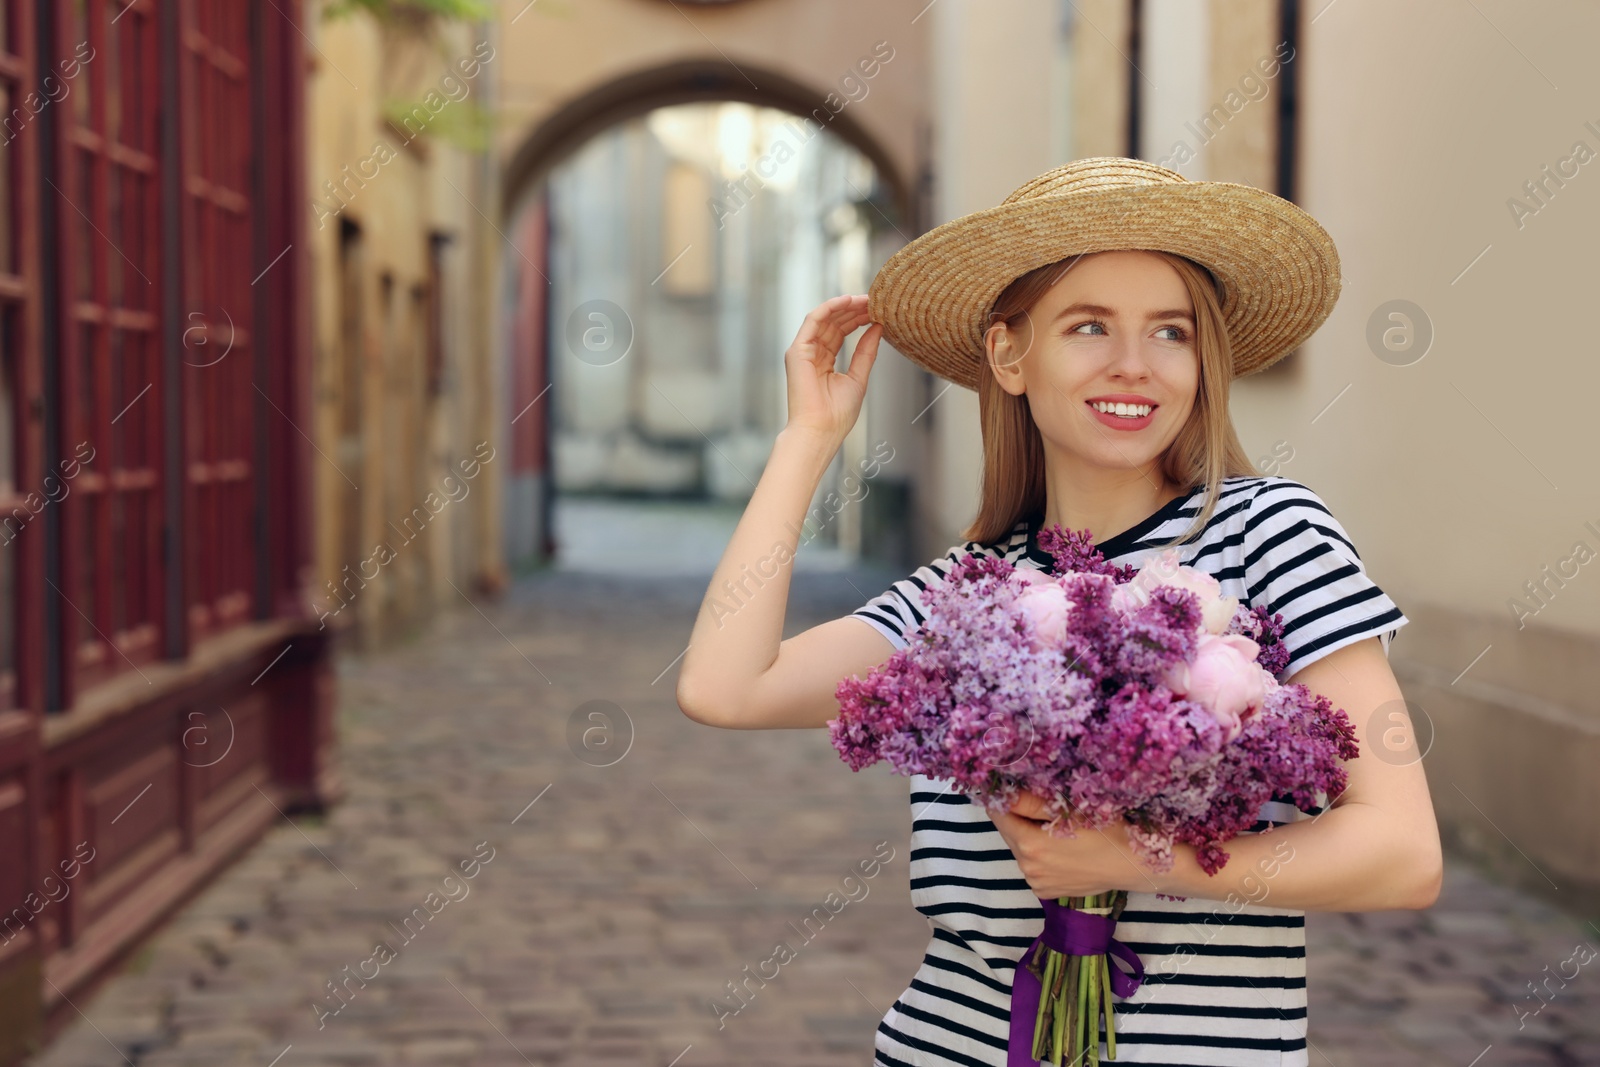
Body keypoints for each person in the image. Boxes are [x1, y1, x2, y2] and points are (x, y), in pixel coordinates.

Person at [675, 157, 1442, 1067]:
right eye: (1088, 326)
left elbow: (1402, 852)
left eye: (1171, 331)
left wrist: (1125, 859)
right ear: (1010, 353)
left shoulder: (1268, 533)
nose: (1134, 364)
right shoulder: (966, 592)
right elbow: (726, 687)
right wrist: (808, 440)